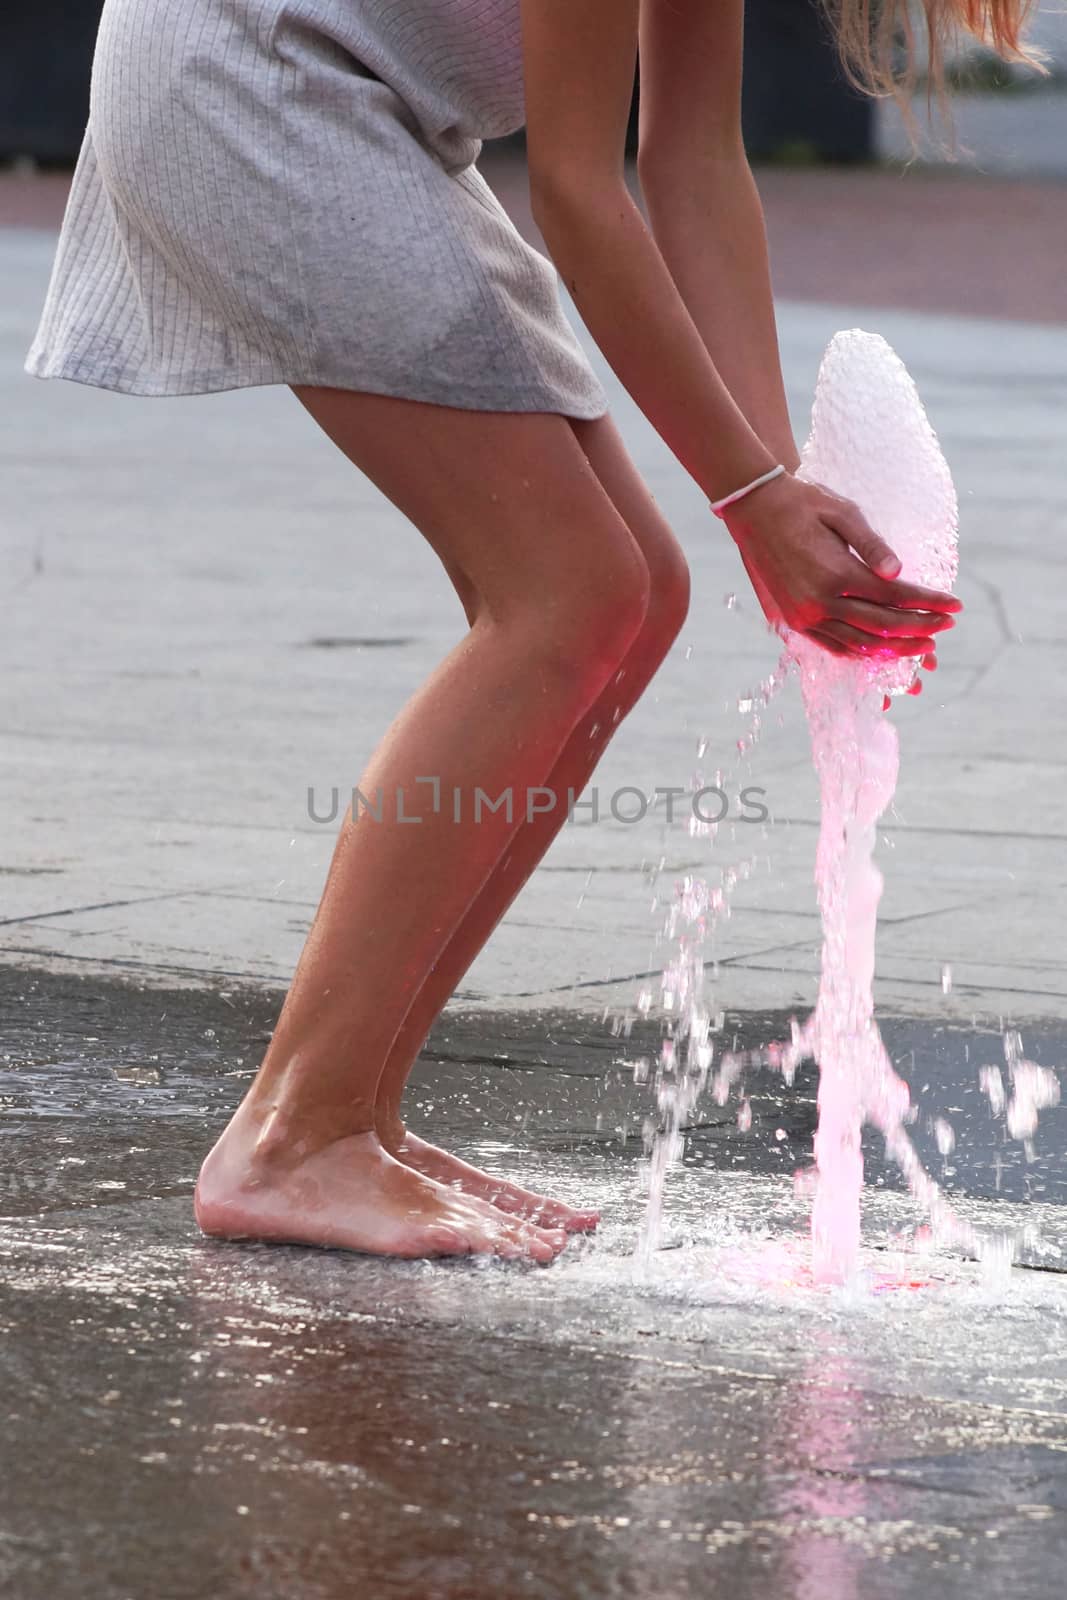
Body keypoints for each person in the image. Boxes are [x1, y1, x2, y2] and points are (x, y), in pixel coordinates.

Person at [25, 0, 1041, 1263]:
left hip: (366, 111)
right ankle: (292, 1137)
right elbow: (572, 181)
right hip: (259, 80)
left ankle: (351, 1118)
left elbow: (690, 162)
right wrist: (747, 495)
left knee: (633, 596)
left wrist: (774, 491)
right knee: (564, 594)